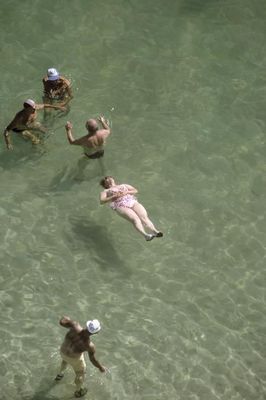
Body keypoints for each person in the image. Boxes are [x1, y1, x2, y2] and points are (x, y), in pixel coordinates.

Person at [55, 316, 106, 398]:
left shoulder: (75, 325)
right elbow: (93, 360)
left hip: (63, 352)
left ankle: (60, 374)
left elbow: (62, 322)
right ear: (95, 333)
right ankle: (79, 390)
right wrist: (100, 367)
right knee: (80, 374)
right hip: (74, 359)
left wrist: (66, 318)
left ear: (87, 325)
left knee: (65, 361)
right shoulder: (90, 346)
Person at [99, 176, 163, 241]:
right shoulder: (106, 191)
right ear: (105, 184)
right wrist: (114, 196)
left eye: (109, 177)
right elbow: (102, 201)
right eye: (106, 179)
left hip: (132, 201)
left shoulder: (124, 185)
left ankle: (155, 231)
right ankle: (146, 235)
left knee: (144, 217)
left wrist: (126, 192)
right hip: (120, 205)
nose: (108, 179)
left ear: (113, 179)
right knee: (135, 219)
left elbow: (135, 190)